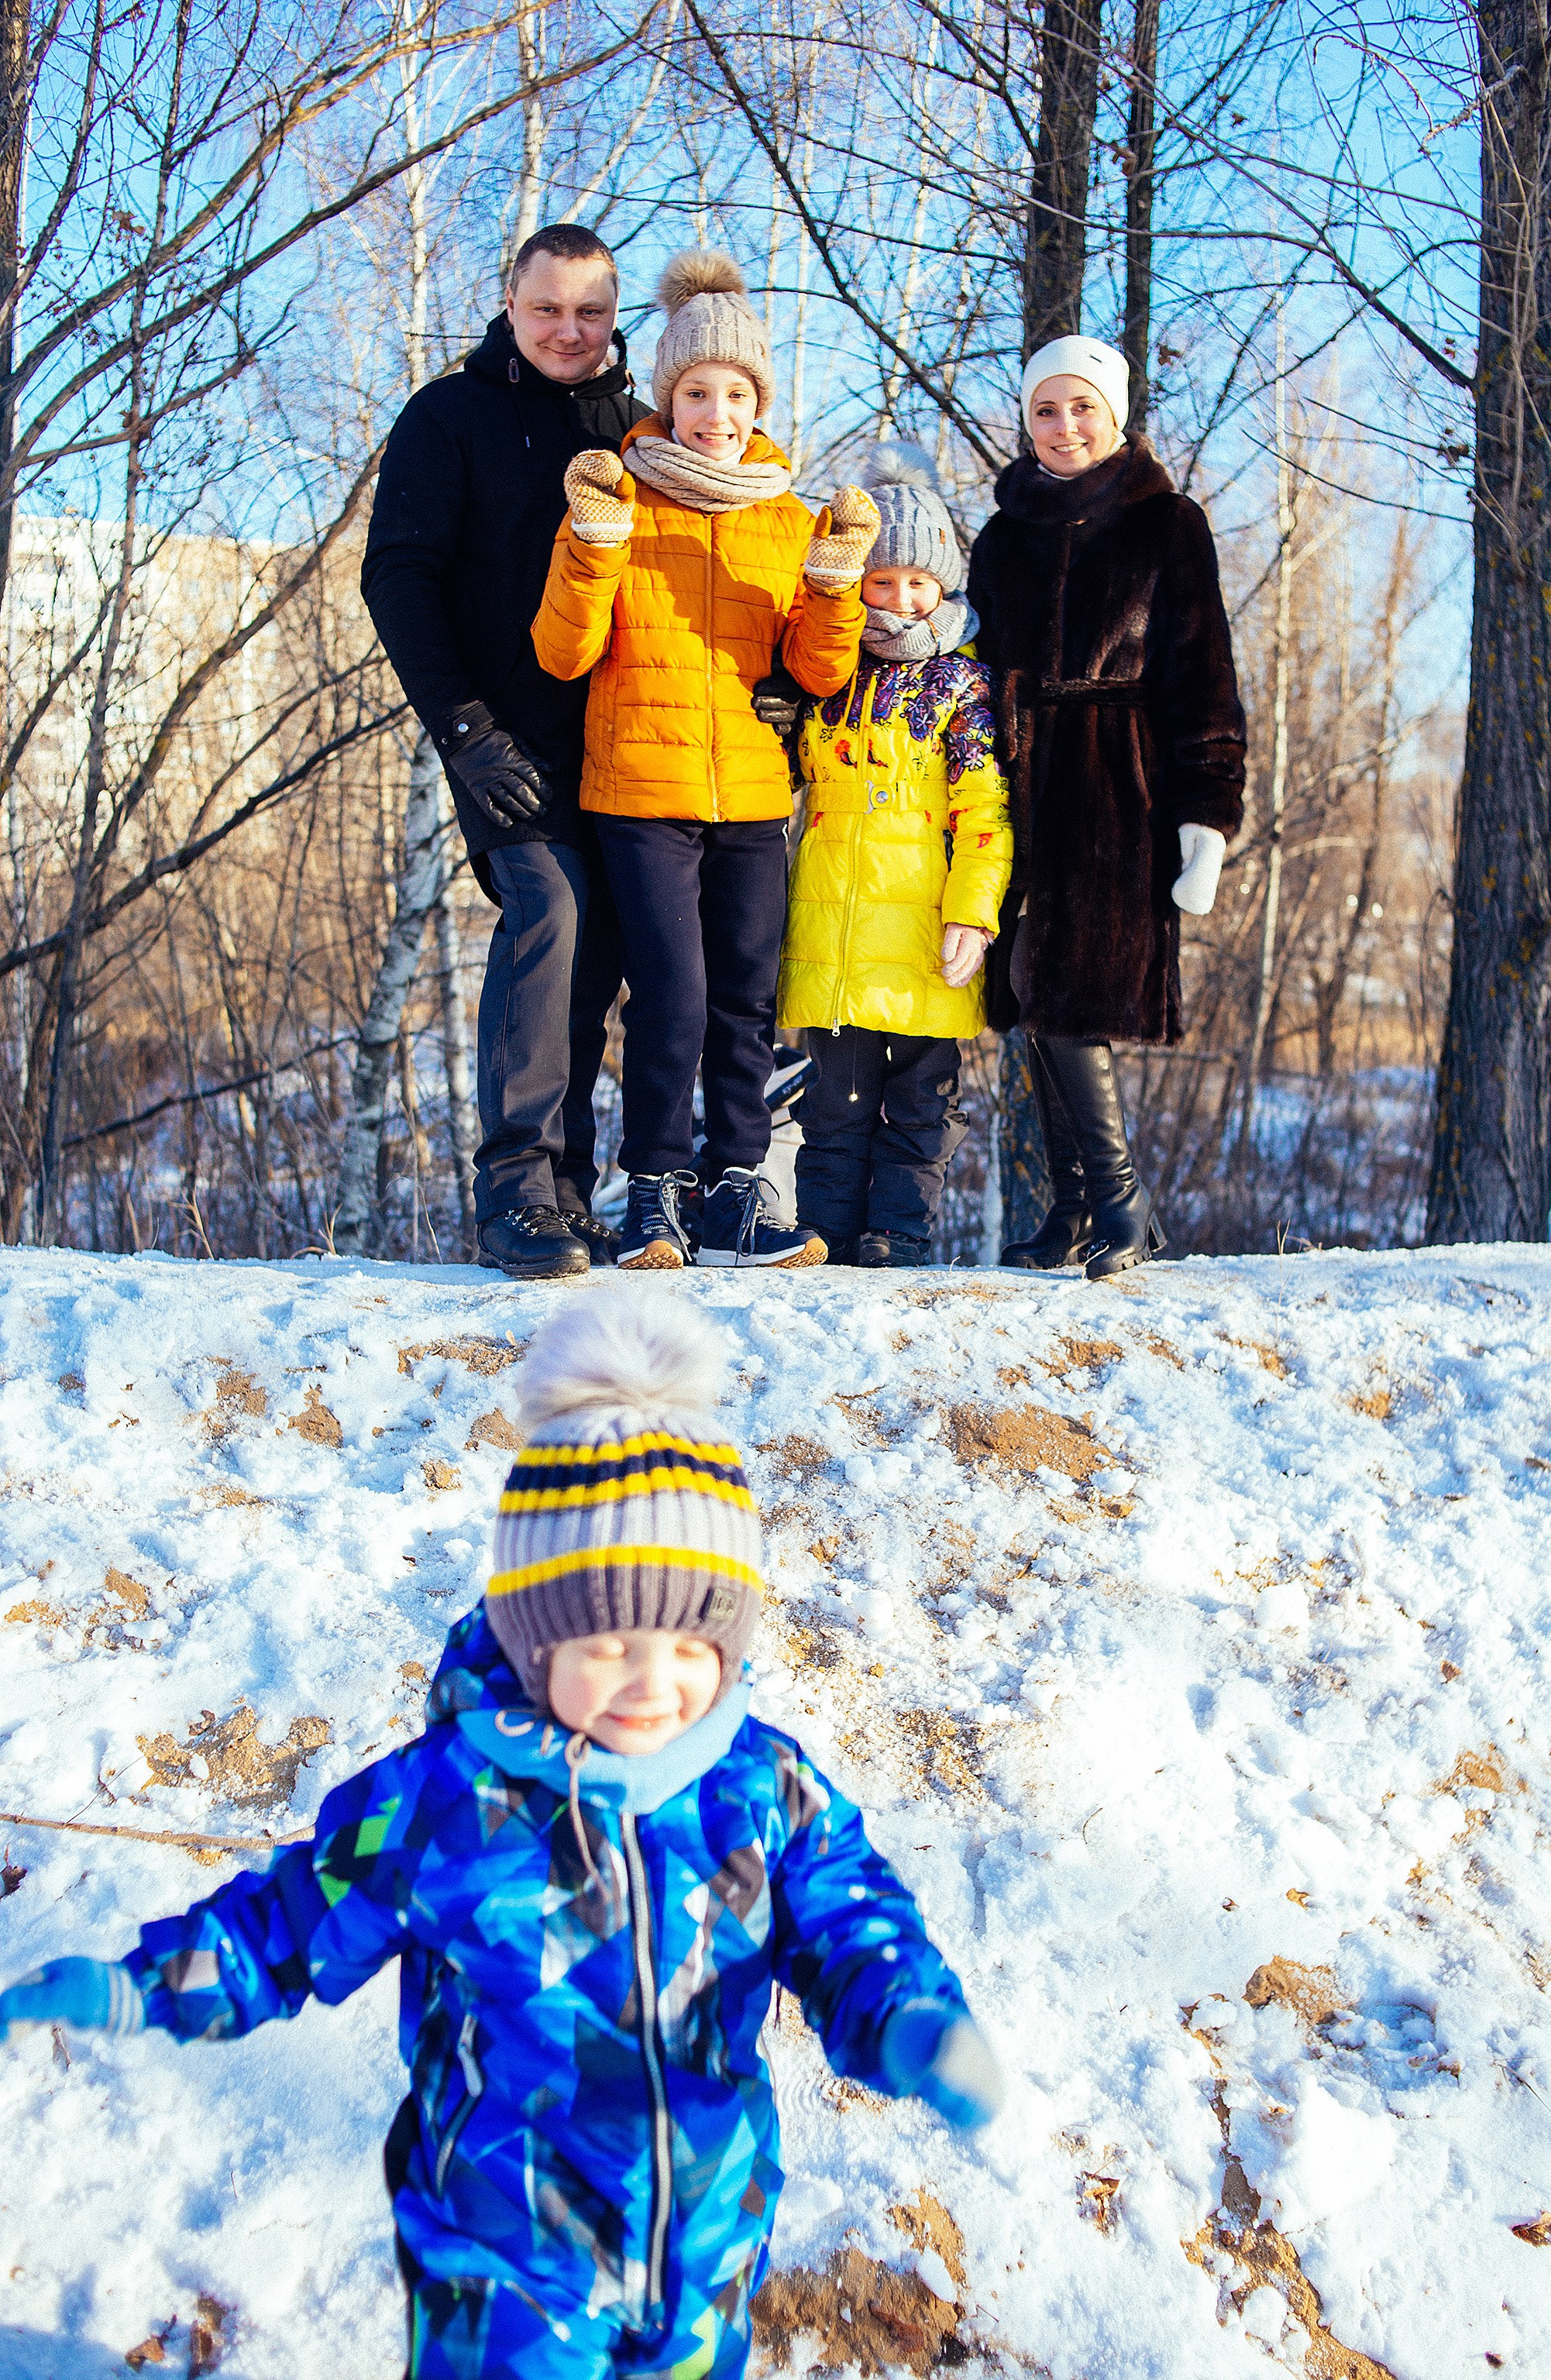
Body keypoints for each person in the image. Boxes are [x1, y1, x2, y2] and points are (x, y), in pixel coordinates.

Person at [0, 1297, 1005, 2380]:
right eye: (607, 1645)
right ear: (535, 1644)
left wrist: (910, 2018)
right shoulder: (448, 1802)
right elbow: (281, 1927)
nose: (651, 1684)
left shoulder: (761, 1789)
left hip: (708, 2250)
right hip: (505, 2269)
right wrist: (138, 1987)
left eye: (689, 1646)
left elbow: (851, 1919)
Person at [532, 251, 879, 1271]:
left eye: (734, 394)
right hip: (642, 792)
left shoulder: (789, 517)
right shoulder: (619, 499)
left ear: (757, 403)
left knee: (745, 1001)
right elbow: (563, 653)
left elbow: (818, 671)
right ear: (666, 398)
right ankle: (653, 1195)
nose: (715, 414)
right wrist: (594, 544)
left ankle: (735, 1192)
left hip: (755, 798)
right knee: (672, 999)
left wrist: (833, 583)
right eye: (695, 393)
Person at [362, 224, 645, 1281]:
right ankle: (515, 1193)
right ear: (510, 305)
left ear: (614, 317)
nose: (569, 330)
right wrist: (463, 729)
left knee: (601, 950)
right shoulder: (449, 416)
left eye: (590, 311)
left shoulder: (641, 430)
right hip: (502, 742)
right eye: (547, 309)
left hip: (623, 745)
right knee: (549, 914)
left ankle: (569, 1196)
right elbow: (398, 577)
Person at [968, 335, 1247, 1278]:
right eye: (1045, 410)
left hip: (1117, 785)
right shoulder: (1001, 536)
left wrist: (1206, 813)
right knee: (1030, 995)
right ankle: (1075, 1208)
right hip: (1011, 784)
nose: (1063, 426)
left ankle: (1125, 1206)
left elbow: (1203, 673)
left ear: (1114, 414)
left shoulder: (1165, 523)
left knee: (1073, 990)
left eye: (1081, 406)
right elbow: (973, 664)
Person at [777, 445, 1013, 1267]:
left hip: (924, 930)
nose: (902, 600)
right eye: (883, 581)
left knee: (920, 1099)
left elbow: (984, 812)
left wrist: (971, 916)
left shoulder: (962, 686)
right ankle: (825, 1233)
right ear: (858, 583)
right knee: (834, 1102)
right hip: (831, 932)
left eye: (919, 582)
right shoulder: (823, 674)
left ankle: (898, 1234)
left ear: (944, 585)